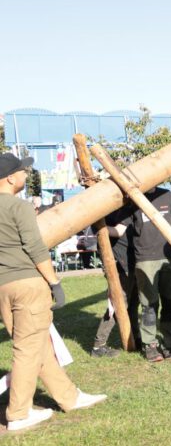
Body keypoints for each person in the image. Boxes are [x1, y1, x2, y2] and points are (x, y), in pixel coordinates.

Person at [0, 154, 106, 431]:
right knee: (27, 350)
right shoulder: (18, 207)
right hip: (27, 284)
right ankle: (19, 414)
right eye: (23, 171)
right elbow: (35, 248)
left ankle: (69, 397)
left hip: (3, 288)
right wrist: (55, 283)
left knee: (38, 345)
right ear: (11, 178)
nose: (26, 175)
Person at [120, 183, 171, 362]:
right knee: (149, 306)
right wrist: (99, 229)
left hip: (169, 257)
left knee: (170, 304)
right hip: (145, 259)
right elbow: (120, 229)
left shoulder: (167, 196)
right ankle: (150, 345)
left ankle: (169, 345)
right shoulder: (132, 200)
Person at [90, 203, 141, 357]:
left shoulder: (124, 207)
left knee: (133, 304)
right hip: (119, 263)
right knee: (116, 304)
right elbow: (119, 231)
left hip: (132, 261)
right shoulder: (101, 211)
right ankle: (98, 346)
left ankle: (135, 339)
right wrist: (101, 228)